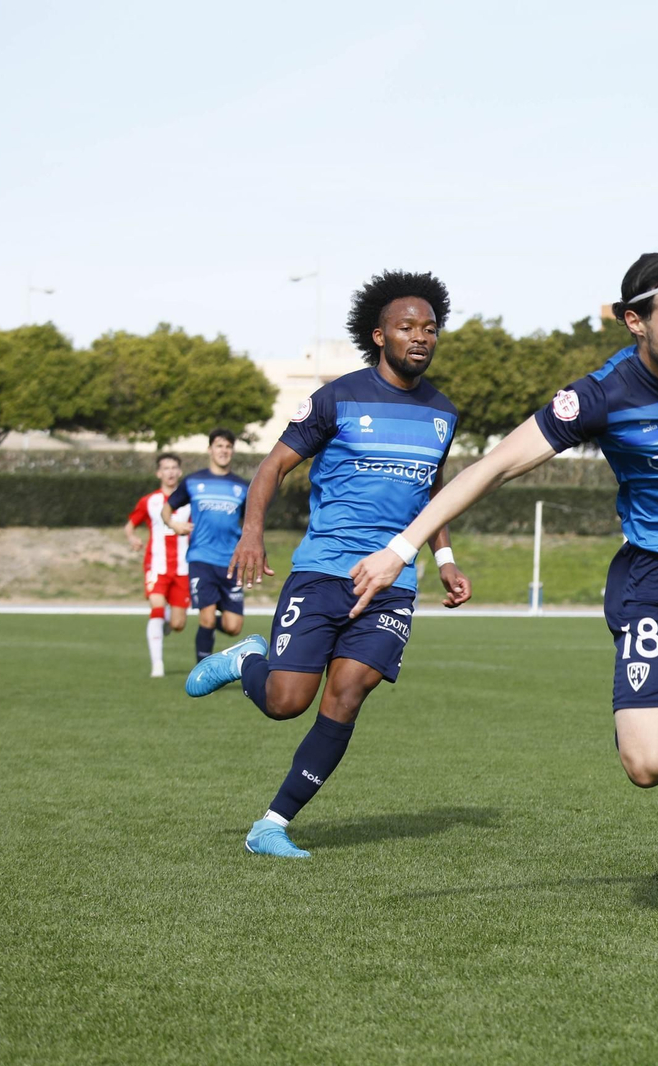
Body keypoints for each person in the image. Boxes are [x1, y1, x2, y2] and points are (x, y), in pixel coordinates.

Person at [347, 248, 658, 933]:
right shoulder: (602, 396)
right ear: (633, 322)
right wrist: (402, 547)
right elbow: (492, 468)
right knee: (648, 764)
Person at [183, 271, 470, 859]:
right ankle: (248, 659)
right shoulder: (338, 397)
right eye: (407, 327)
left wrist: (443, 556)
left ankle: (271, 825)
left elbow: (435, 493)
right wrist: (252, 534)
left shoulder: (443, 413)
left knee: (346, 697)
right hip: (322, 571)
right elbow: (271, 467)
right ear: (379, 335)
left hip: (391, 583)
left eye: (430, 328)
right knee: (288, 701)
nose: (421, 337)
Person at [164, 428, 249, 662]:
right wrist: (173, 524)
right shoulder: (193, 481)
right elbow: (168, 507)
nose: (224, 451)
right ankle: (203, 671)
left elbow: (251, 520)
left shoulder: (242, 487)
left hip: (231, 562)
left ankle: (207, 622)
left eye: (228, 447)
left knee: (233, 627)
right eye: (219, 446)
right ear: (210, 449)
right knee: (208, 618)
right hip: (202, 559)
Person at [125, 452, 190, 678]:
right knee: (157, 608)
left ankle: (168, 623)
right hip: (156, 565)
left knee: (179, 624)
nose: (170, 472)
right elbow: (130, 525)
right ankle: (157, 665)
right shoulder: (149, 501)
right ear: (158, 473)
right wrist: (132, 538)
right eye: (166, 468)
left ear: (179, 472)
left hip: (183, 567)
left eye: (174, 467)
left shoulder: (190, 500)